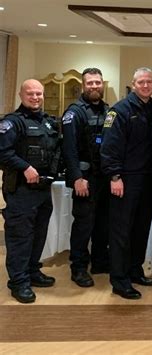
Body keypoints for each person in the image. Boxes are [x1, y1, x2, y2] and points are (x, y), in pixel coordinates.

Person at [0, 79, 60, 303]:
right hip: (21, 190)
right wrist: (25, 167)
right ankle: (18, 282)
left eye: (39, 94)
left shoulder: (47, 122)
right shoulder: (12, 123)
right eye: (31, 94)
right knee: (20, 237)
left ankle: (33, 271)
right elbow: (2, 152)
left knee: (38, 234)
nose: (35, 97)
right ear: (20, 95)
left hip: (43, 189)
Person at [100, 67, 152, 300]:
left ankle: (135, 270)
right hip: (125, 179)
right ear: (133, 84)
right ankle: (119, 280)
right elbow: (109, 146)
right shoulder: (120, 110)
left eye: (149, 82)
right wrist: (114, 176)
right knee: (121, 232)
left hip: (147, 180)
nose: (145, 86)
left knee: (140, 229)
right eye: (141, 82)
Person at [61, 67, 110, 287]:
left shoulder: (107, 110)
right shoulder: (74, 112)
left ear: (103, 84)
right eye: (90, 83)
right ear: (83, 85)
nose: (94, 86)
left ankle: (99, 261)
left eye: (97, 82)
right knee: (83, 225)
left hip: (104, 178)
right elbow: (69, 149)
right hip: (85, 177)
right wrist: (77, 178)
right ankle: (78, 267)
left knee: (102, 223)